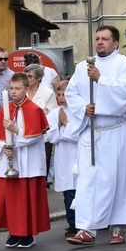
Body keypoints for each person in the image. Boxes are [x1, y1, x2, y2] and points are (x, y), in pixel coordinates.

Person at [65, 26, 126, 246]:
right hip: (92, 131)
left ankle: (118, 227)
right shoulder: (83, 67)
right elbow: (72, 93)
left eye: (105, 39)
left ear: (115, 43)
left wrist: (100, 79)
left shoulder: (124, 65)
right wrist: (83, 108)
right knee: (88, 180)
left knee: (117, 179)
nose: (99, 42)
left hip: (116, 132)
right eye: (97, 38)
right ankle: (87, 229)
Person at [0, 72, 51, 249]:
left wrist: (15, 130)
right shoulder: (5, 110)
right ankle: (14, 232)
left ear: (26, 89)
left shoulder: (34, 110)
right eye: (11, 88)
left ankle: (27, 234)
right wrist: (4, 148)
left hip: (28, 162)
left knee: (26, 198)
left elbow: (34, 136)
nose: (14, 92)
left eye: (18, 88)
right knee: (11, 199)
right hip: (11, 161)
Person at [45, 80, 78, 237]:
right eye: (58, 95)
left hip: (78, 156)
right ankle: (72, 223)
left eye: (64, 94)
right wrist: (58, 125)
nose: (61, 97)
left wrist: (66, 123)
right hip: (63, 158)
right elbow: (51, 137)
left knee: (79, 191)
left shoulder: (78, 111)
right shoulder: (54, 113)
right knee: (68, 192)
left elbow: (79, 136)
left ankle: (81, 223)